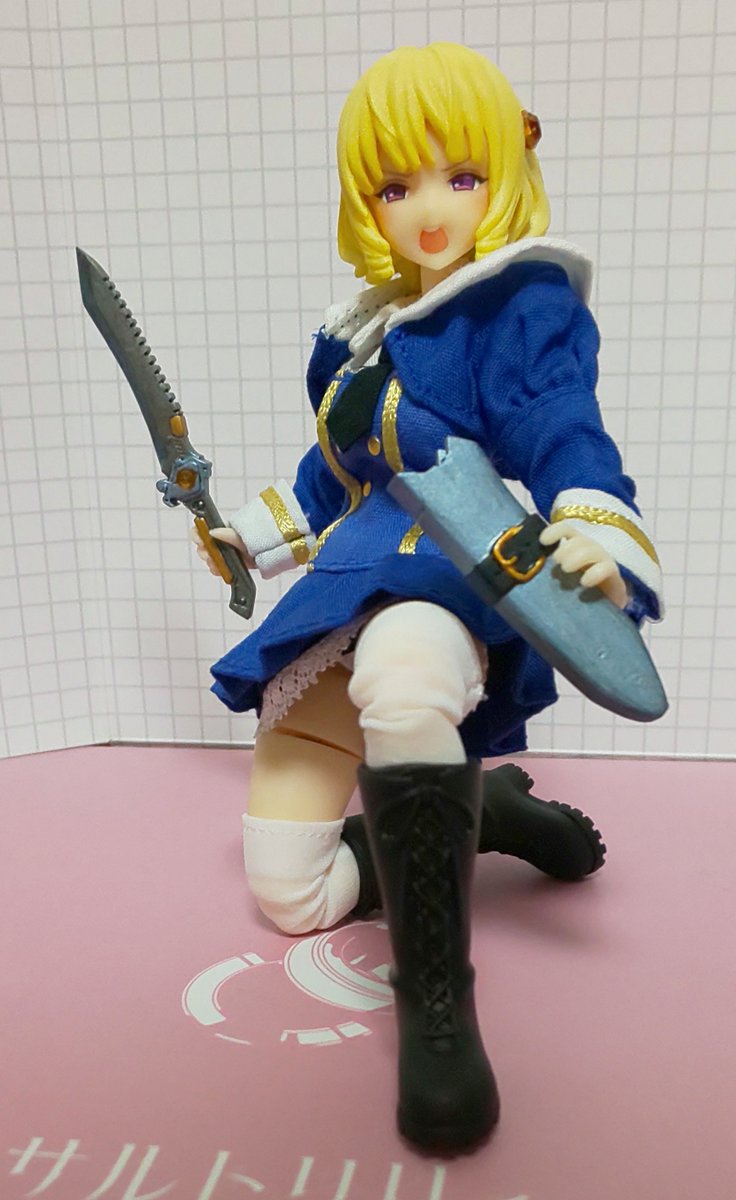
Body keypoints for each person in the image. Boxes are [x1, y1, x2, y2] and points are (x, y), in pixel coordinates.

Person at [193, 44, 663, 1151]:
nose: (430, 208)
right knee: (290, 896)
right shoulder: (355, 338)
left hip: (436, 579)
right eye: (396, 186)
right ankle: (477, 813)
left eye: (460, 175)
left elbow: (560, 426)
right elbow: (332, 481)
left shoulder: (518, 305)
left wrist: (592, 530)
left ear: (506, 169)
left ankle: (435, 1007)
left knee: (406, 683)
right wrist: (246, 535)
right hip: (337, 597)